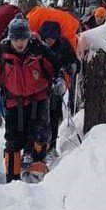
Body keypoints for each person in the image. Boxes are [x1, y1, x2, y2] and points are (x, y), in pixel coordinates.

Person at [0, 16, 60, 182]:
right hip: (13, 101)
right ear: (10, 38)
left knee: (41, 134)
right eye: (15, 39)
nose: (19, 43)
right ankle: (13, 177)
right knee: (14, 140)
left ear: (28, 37)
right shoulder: (2, 53)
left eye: (23, 38)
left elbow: (55, 67)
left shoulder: (39, 48)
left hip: (38, 99)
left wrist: (59, 80)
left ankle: (37, 165)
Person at [39, 20, 80, 158]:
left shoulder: (63, 45)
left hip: (57, 87)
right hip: (38, 88)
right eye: (47, 38)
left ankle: (51, 146)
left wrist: (72, 67)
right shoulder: (36, 45)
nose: (49, 41)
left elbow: (74, 61)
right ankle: (37, 149)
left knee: (53, 115)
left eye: (52, 38)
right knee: (39, 118)